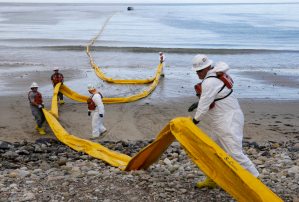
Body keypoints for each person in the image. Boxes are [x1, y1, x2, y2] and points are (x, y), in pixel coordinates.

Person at [188, 54, 259, 189]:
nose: (197, 74)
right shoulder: (214, 76)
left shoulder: (209, 81)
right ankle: (212, 179)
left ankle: (257, 181)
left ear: (207, 67)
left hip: (227, 120)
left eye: (199, 71)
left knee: (234, 153)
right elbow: (214, 97)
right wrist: (197, 104)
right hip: (223, 119)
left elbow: (204, 103)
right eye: (196, 71)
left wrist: (195, 121)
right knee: (214, 151)